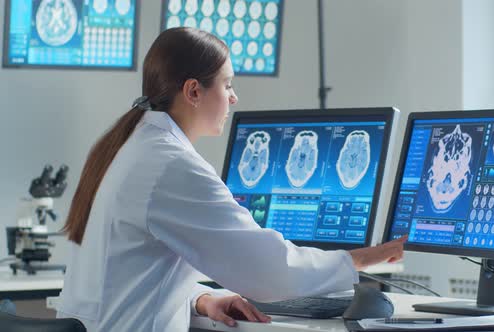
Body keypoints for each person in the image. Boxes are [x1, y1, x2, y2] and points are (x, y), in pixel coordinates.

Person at [57, 27, 407, 332]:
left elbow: (128, 270)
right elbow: (268, 271)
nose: (234, 97)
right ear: (193, 91)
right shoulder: (169, 165)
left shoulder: (129, 146)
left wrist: (201, 298)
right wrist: (362, 258)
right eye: (227, 85)